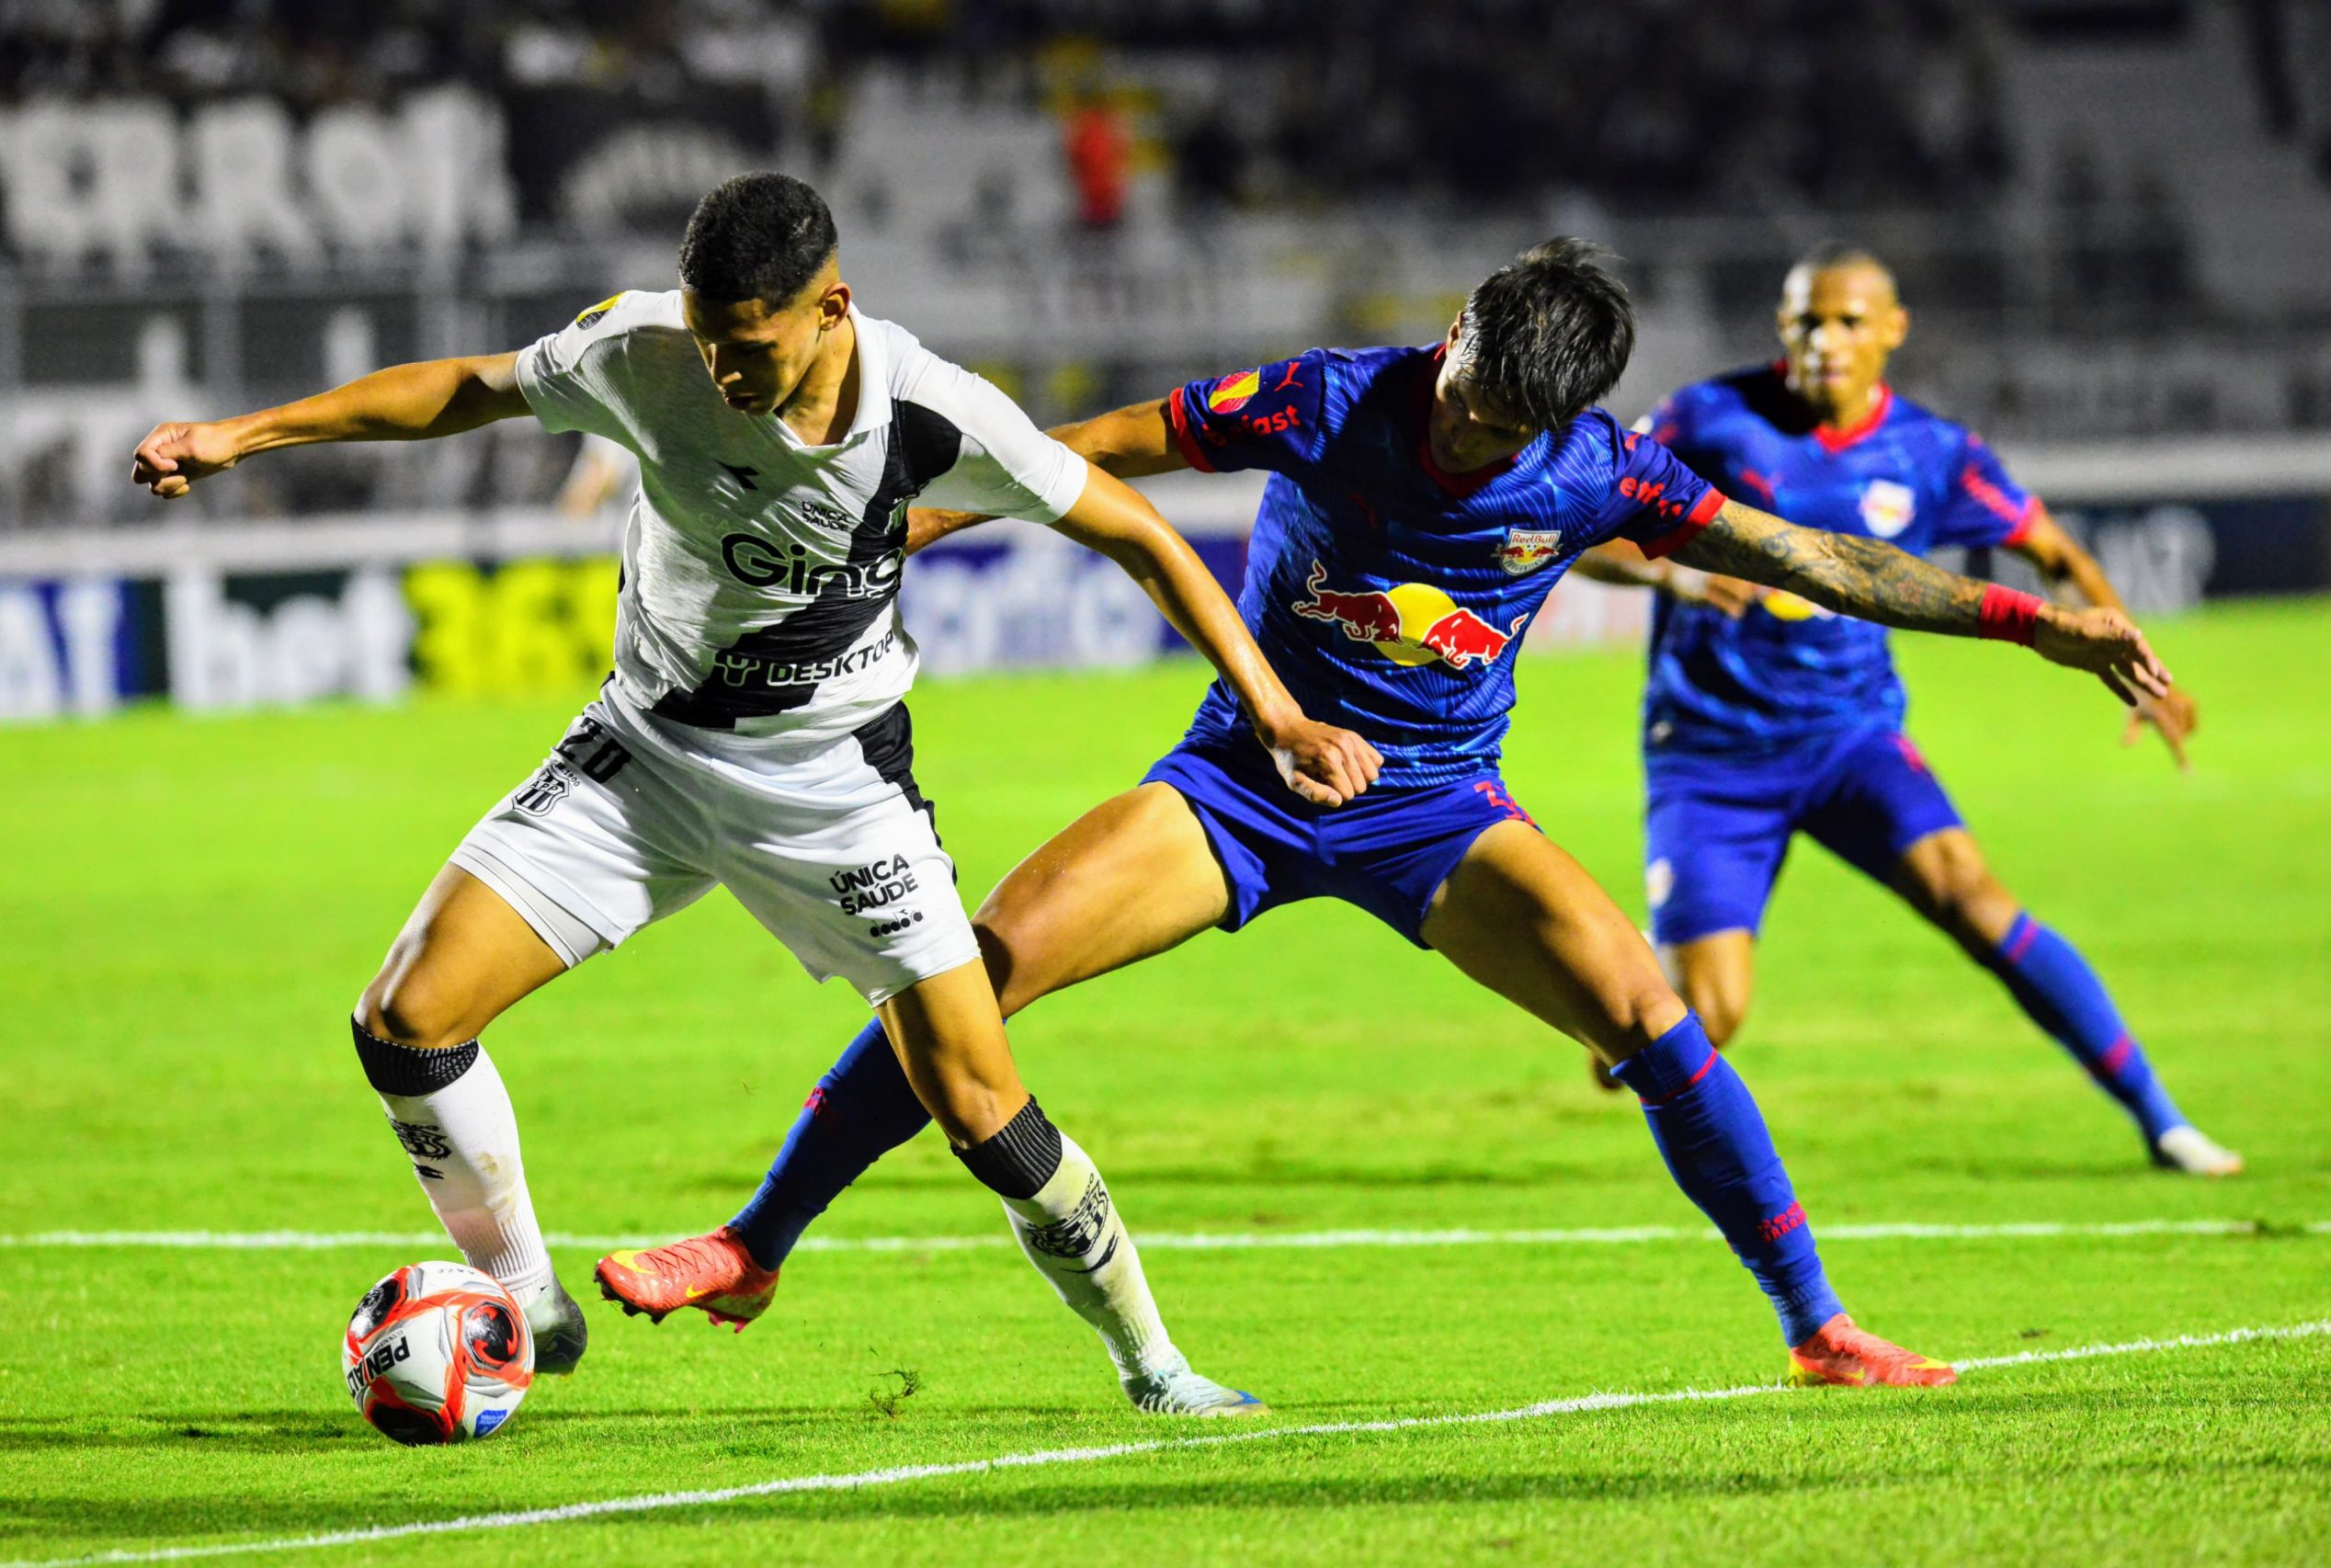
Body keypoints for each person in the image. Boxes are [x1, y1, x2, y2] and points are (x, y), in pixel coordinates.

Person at [598, 239, 2177, 1389]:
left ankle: (1817, 1326)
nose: (1468, 430)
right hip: (1244, 778)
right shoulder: (1328, 398)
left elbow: (1835, 566)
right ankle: (753, 1246)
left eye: (1503, 427)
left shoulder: (1603, 473)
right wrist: (918, 520)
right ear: (1453, 332)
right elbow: (1096, 452)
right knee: (977, 967)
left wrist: (2048, 624)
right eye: (1467, 392)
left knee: (1654, 1017)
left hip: (1435, 812)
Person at [131, 172, 1381, 1421]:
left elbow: (1142, 535)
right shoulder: (646, 350)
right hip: (646, 758)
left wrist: (1273, 711)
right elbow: (469, 388)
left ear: (831, 306)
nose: (721, 368)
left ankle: (1153, 1364)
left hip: (834, 791)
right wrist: (241, 436)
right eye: (709, 337)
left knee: (981, 1104)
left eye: (749, 344)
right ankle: (529, 1300)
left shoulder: (938, 414)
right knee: (404, 1017)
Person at [1571, 247, 2237, 1176]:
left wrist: (2137, 664)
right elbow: (1580, 520)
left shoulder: (1931, 453)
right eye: (1808, 321)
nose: (1826, 340)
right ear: (1781, 328)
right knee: (1701, 1019)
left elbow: (2050, 552)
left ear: (1892, 329)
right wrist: (1676, 568)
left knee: (1976, 899)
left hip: (1851, 738)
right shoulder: (1707, 417)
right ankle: (1630, 1001)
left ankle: (2163, 1120)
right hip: (1712, 755)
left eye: (1848, 321)